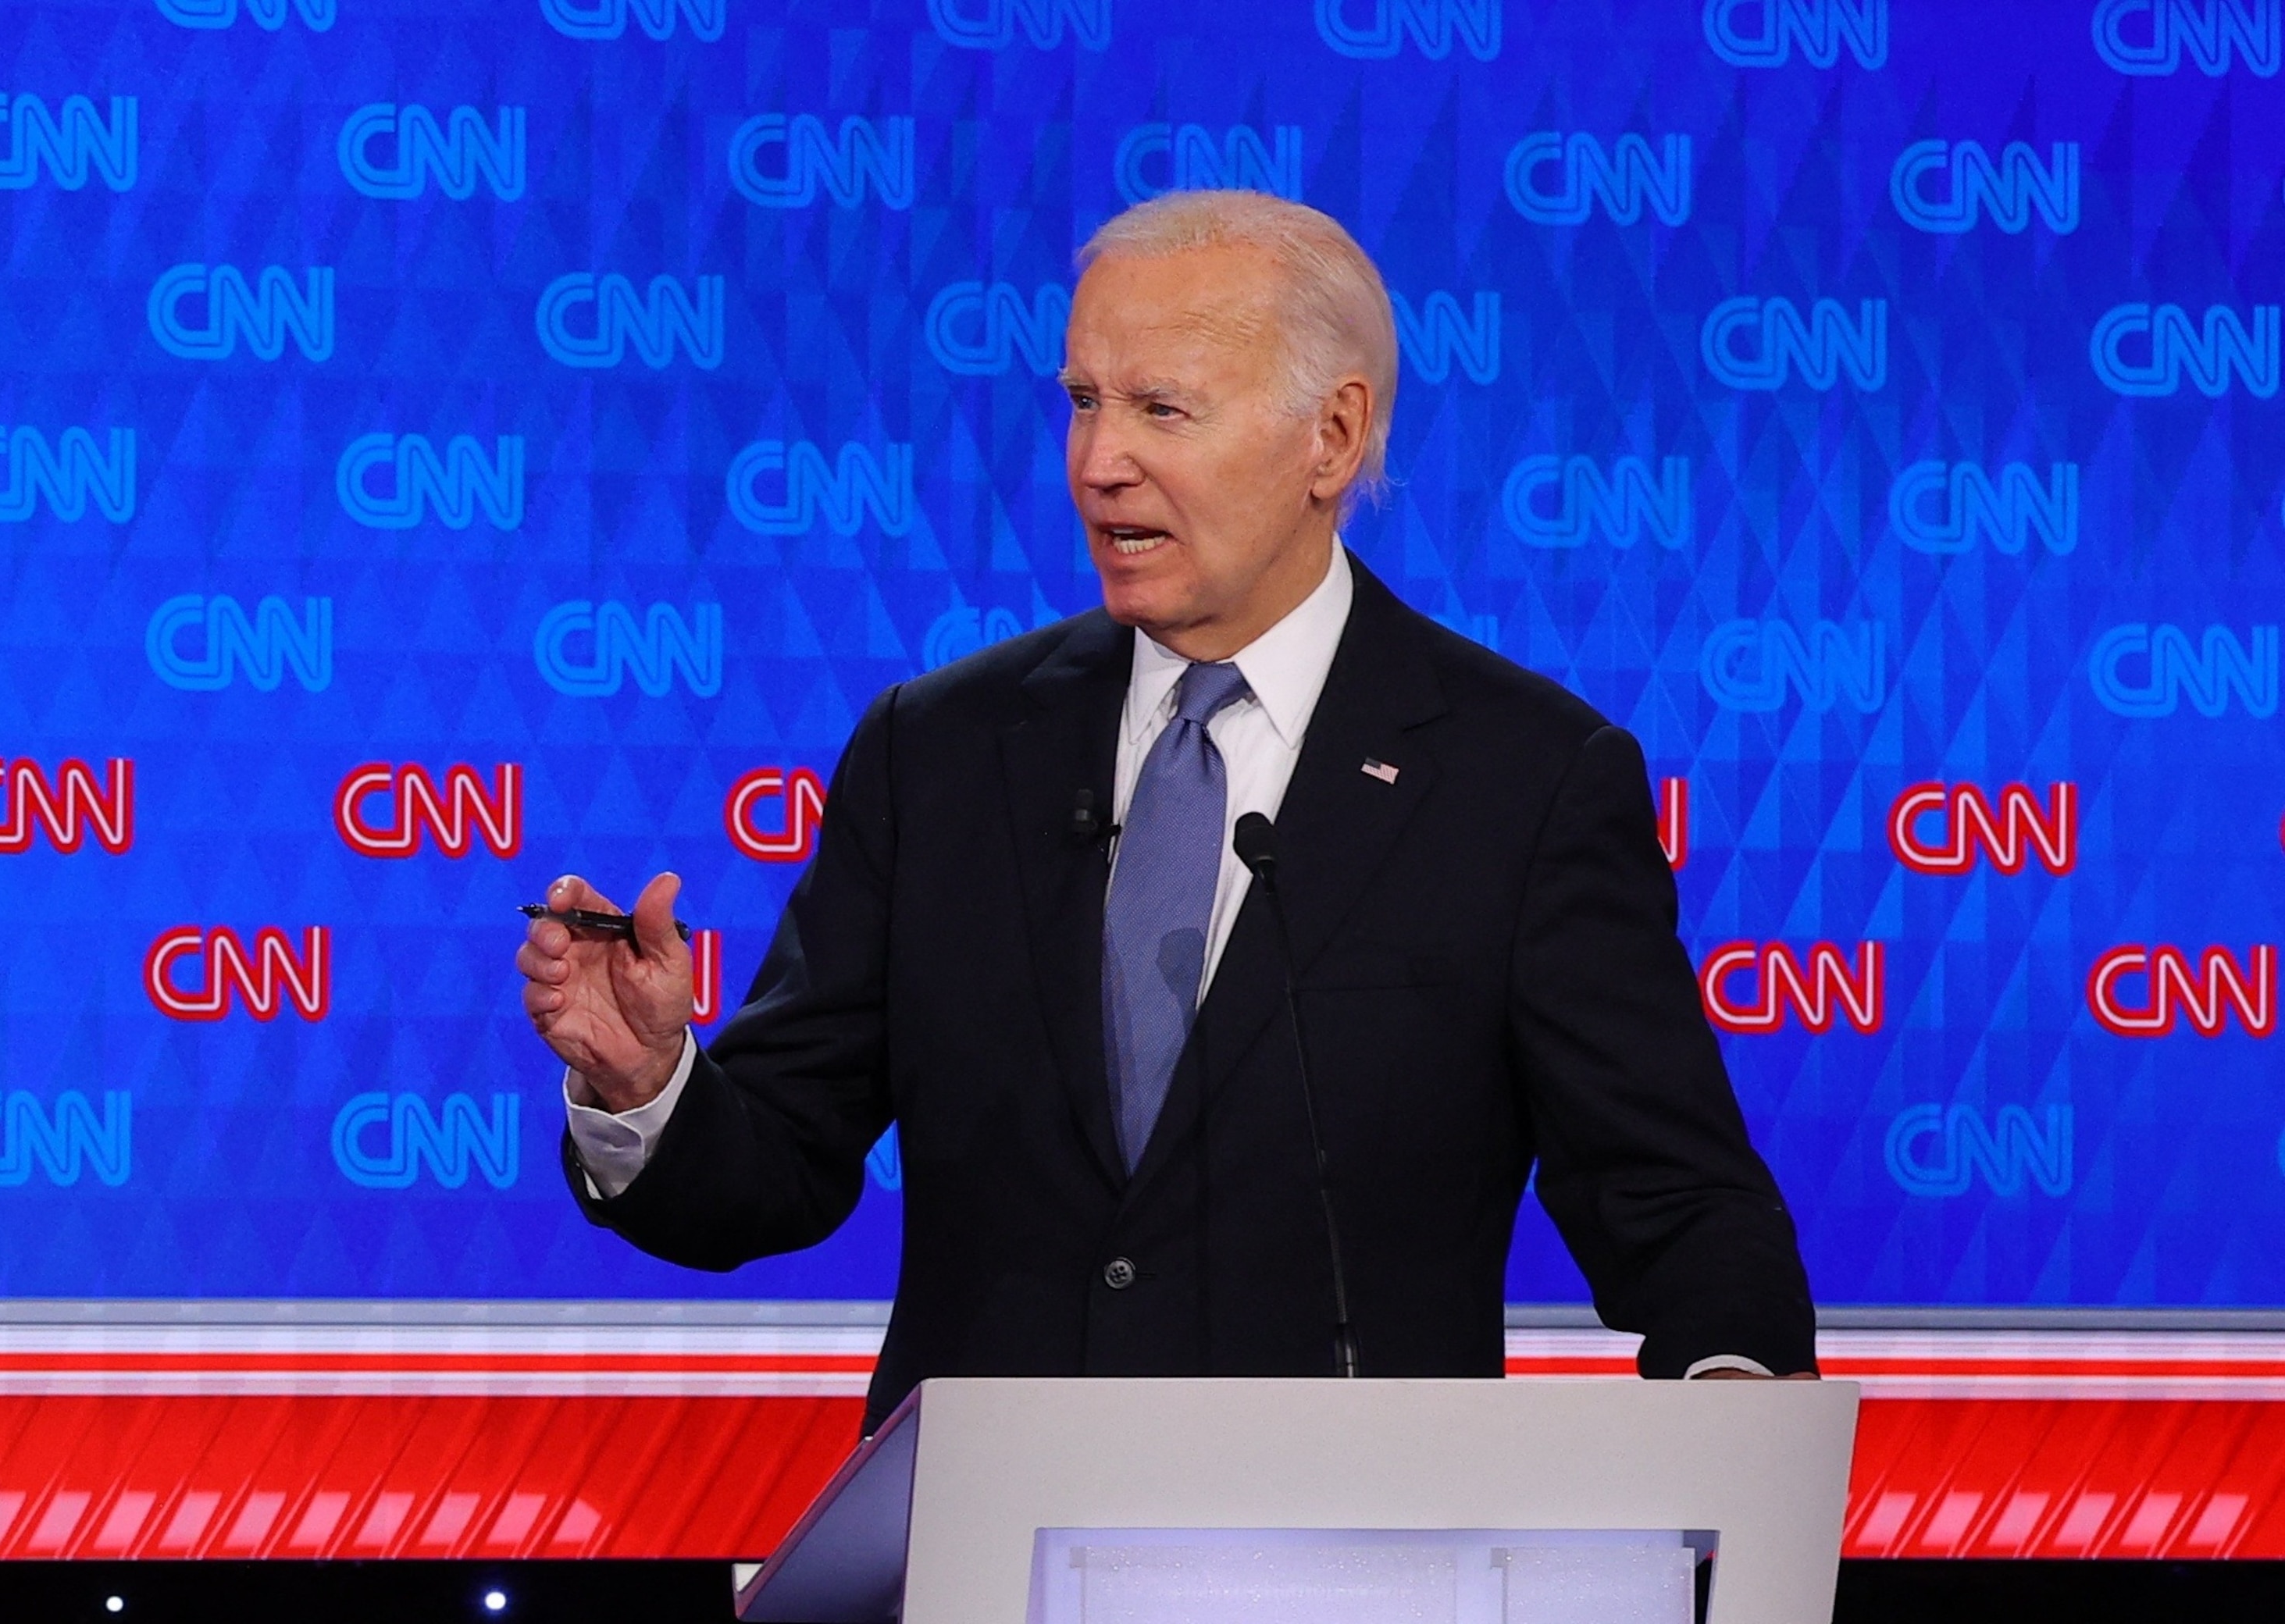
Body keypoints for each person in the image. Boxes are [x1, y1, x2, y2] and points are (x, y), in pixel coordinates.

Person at [516, 190, 1817, 1430]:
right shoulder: (943, 749)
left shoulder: (1521, 779)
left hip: (1355, 1565)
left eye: (1161, 408)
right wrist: (648, 1086)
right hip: (992, 1560)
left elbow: (1677, 1199)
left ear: (1334, 437)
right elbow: (779, 1169)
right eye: (1083, 401)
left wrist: (1738, 1421)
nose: (1099, 462)